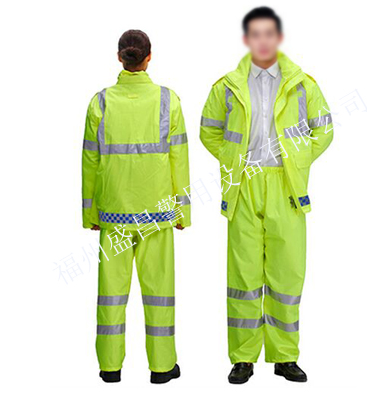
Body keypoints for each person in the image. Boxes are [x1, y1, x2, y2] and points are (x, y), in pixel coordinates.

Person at [200, 7, 333, 384]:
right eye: (255, 34)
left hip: (286, 185)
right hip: (243, 184)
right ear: (247, 39)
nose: (262, 41)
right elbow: (209, 131)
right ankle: (243, 358)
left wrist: (298, 159)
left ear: (278, 38)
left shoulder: (303, 85)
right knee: (243, 274)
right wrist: (232, 159)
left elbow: (324, 130)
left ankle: (284, 356)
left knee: (286, 274)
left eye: (268, 34)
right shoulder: (226, 86)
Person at [82, 29, 190, 384]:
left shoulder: (100, 103)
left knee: (111, 294)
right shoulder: (168, 101)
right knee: (159, 293)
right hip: (157, 214)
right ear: (149, 56)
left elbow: (90, 160)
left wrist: (90, 213)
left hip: (113, 213)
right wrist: (183, 211)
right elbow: (179, 159)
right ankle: (162, 367)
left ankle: (109, 367)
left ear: (119, 57)